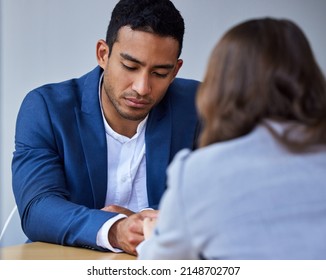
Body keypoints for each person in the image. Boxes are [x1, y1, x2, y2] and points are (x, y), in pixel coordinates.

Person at [12, 0, 200, 256]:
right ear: (103, 54)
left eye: (159, 73)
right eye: (130, 67)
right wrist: (115, 230)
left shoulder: (199, 105)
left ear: (175, 70)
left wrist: (143, 219)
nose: (142, 88)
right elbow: (37, 208)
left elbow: (229, 200)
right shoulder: (47, 109)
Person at [137, 17, 326, 260]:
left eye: (160, 72)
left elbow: (160, 268)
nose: (143, 88)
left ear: (221, 86)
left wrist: (153, 239)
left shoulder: (198, 173)